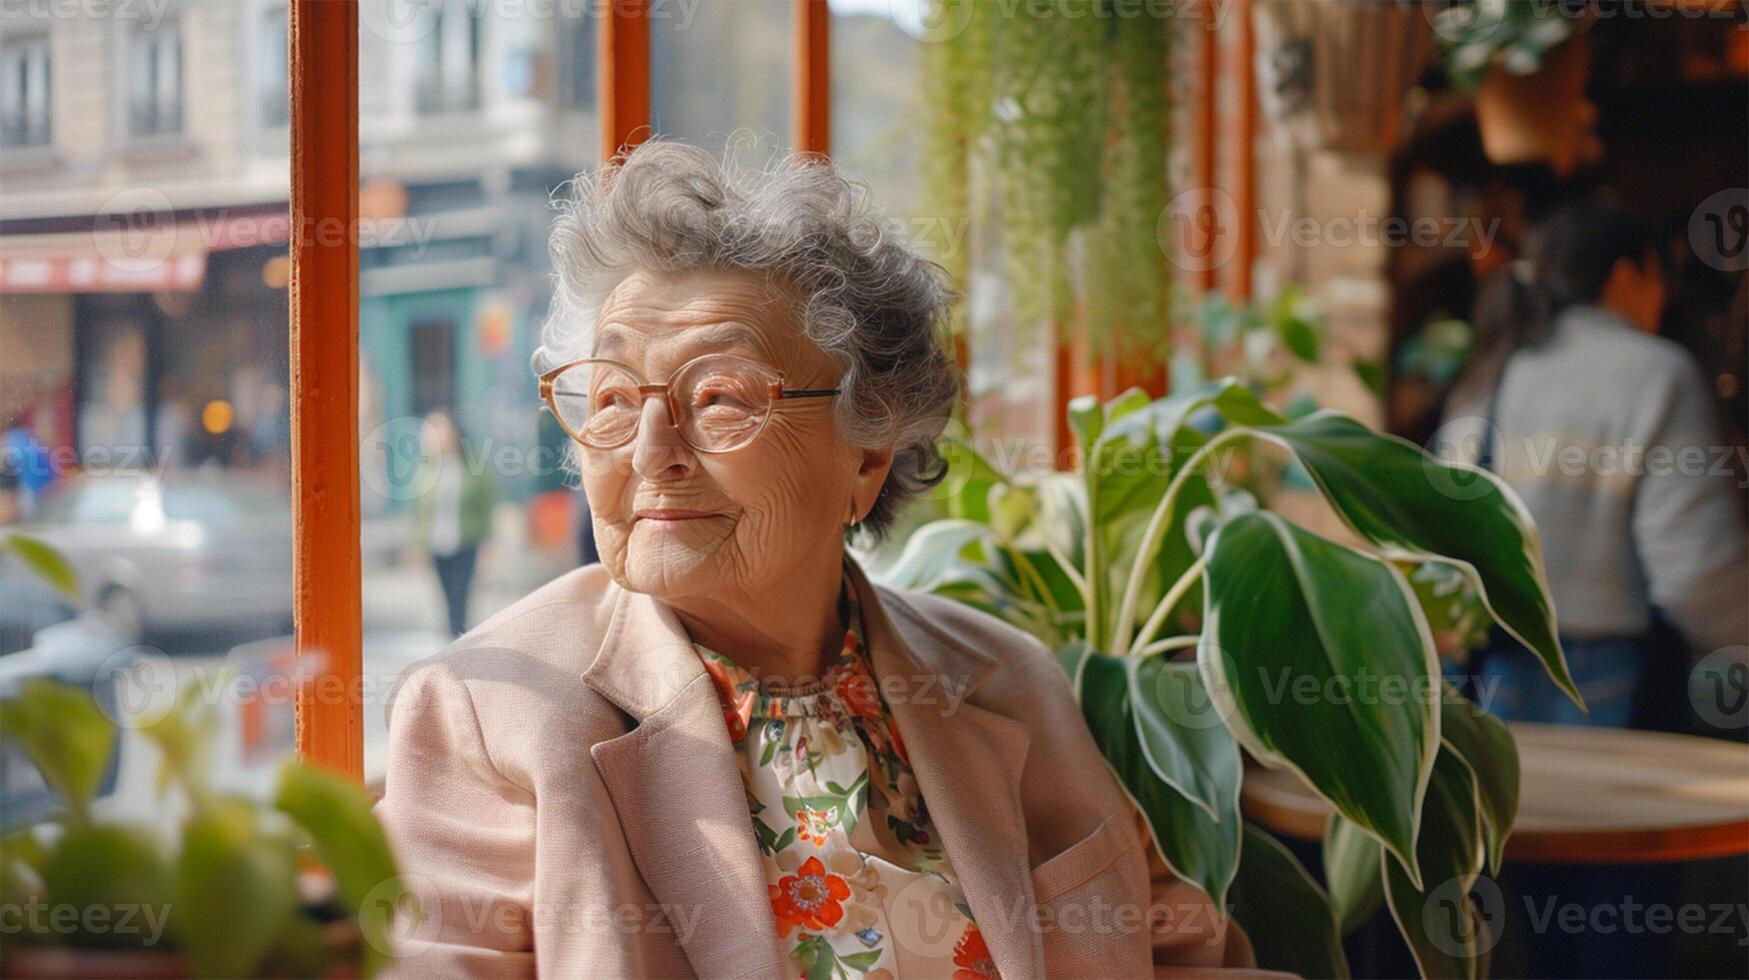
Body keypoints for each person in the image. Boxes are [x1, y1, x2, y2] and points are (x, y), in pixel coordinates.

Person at [375, 142, 1263, 978]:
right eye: (611, 397)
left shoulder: (1005, 678)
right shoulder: (495, 716)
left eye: (718, 397)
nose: (649, 451)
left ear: (868, 454)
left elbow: (1184, 959)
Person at [1437, 201, 1748, 727]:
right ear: (1627, 276)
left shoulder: (1493, 370)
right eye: (1657, 282)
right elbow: (1694, 575)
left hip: (1483, 672)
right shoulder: (1656, 374)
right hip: (1600, 684)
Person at [411, 409, 497, 637]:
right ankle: (451, 638)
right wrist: (416, 545)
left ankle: (459, 637)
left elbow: (486, 506)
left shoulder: (473, 467)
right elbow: (420, 512)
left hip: (466, 541)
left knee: (461, 595)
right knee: (445, 596)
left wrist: (489, 540)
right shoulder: (426, 471)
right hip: (436, 543)